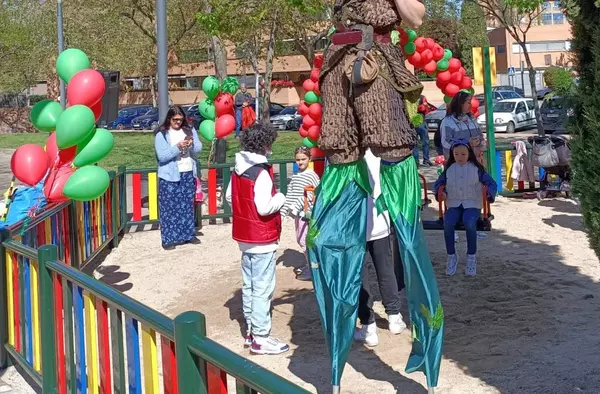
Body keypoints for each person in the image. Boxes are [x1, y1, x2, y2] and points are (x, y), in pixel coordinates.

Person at [309, 0, 444, 388]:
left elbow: (416, 16)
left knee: (394, 148)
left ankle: (424, 348)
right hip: (337, 65)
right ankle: (339, 352)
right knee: (336, 167)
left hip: (376, 65)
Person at [225, 123, 289, 355]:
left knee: (249, 285)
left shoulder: (238, 169)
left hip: (245, 237)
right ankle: (261, 337)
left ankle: (252, 330)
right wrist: (280, 198)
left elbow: (230, 197)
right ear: (265, 144)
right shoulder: (261, 173)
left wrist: (245, 214)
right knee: (263, 287)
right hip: (262, 237)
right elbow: (264, 207)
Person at [354, 149, 406, 347]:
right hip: (379, 220)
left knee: (362, 276)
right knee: (385, 270)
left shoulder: (347, 155)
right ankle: (393, 316)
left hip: (357, 225)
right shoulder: (380, 154)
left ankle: (369, 325)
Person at [434, 140, 497, 277]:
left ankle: (471, 256)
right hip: (454, 202)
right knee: (448, 222)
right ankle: (451, 255)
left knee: (469, 222)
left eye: (463, 154)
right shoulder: (450, 169)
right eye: (456, 154)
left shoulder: (476, 169)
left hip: (472, 203)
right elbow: (439, 183)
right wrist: (441, 194)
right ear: (452, 155)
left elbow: (491, 183)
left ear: (469, 154)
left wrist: (489, 195)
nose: (460, 157)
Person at [154, 105, 203, 250]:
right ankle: (169, 238)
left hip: (187, 172)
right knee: (169, 208)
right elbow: (162, 156)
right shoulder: (161, 134)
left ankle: (188, 234)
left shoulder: (189, 130)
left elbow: (199, 149)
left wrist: (191, 144)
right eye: (175, 120)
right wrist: (178, 147)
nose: (178, 122)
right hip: (169, 175)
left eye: (181, 120)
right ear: (169, 119)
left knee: (187, 206)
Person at [280, 146, 321, 281]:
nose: (300, 162)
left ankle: (313, 268)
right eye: (298, 160)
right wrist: (283, 211)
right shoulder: (296, 176)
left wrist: (296, 206)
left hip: (308, 214)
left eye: (303, 159)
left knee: (306, 241)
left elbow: (313, 192)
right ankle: (310, 264)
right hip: (298, 214)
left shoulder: (311, 175)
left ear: (309, 159)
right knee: (300, 239)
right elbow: (291, 194)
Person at [440, 91, 484, 160]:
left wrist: (480, 142)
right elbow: (446, 142)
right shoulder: (448, 122)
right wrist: (466, 143)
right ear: (460, 104)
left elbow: (480, 135)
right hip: (456, 163)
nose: (471, 105)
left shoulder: (471, 119)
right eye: (468, 103)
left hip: (474, 161)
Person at [413, 95, 432, 166]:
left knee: (416, 144)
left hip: (414, 123)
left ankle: (417, 162)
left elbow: (424, 108)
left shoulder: (409, 96)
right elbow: (424, 109)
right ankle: (425, 161)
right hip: (420, 123)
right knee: (425, 143)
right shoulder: (421, 97)